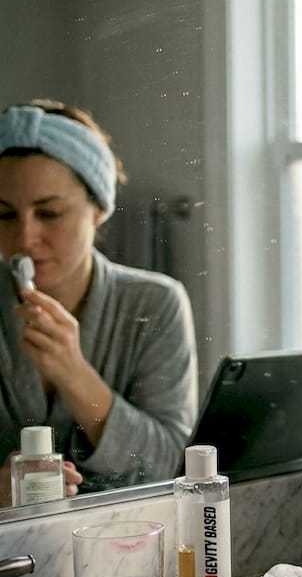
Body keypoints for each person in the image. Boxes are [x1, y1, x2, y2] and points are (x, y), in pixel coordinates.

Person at [0, 99, 197, 503]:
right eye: (3, 215)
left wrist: (73, 371)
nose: (24, 237)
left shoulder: (156, 303)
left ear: (99, 210)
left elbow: (168, 465)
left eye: (50, 213)